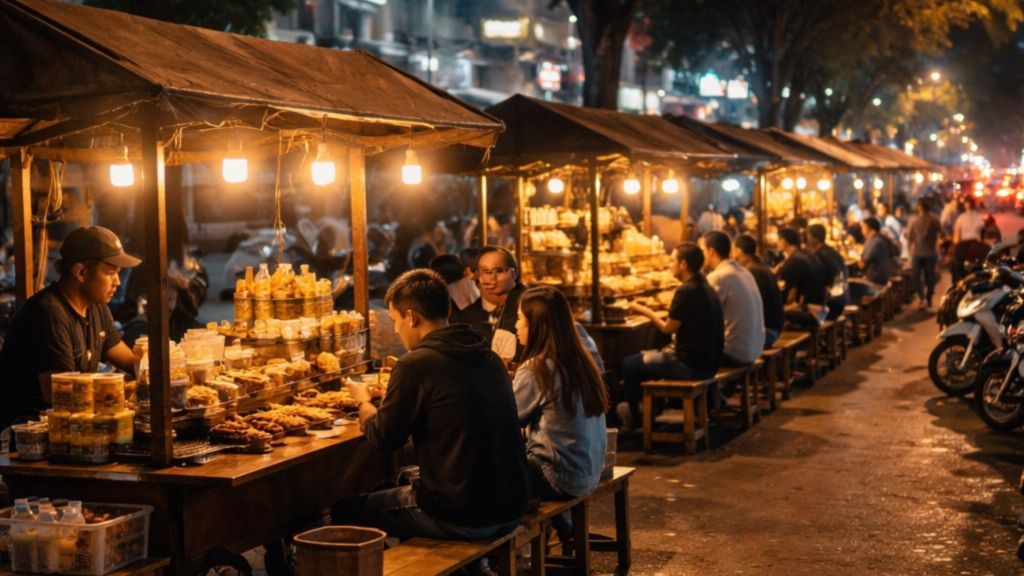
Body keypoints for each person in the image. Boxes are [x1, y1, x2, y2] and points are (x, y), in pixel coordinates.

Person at [338, 269, 529, 541]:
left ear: (411, 317)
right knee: (400, 480)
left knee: (348, 510)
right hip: (512, 506)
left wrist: (363, 401)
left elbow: (383, 438)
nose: (394, 329)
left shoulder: (416, 364)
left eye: (394, 320)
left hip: (464, 515)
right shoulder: (488, 355)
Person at [0, 226, 140, 431]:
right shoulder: (48, 315)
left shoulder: (96, 308)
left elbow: (129, 361)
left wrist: (161, 367)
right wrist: (117, 388)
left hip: (72, 423)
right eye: (110, 273)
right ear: (81, 272)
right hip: (28, 430)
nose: (117, 282)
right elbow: (60, 394)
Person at [513, 286, 608, 541]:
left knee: (487, 469)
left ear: (536, 325)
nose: (516, 325)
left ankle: (485, 555)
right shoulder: (581, 360)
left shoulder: (537, 368)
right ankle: (565, 528)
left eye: (520, 318)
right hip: (589, 472)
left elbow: (503, 422)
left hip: (560, 477)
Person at [619, 243, 724, 428]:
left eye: (672, 260)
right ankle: (650, 413)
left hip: (690, 366)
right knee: (649, 355)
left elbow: (668, 328)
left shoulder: (686, 290)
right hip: (710, 363)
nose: (670, 265)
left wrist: (643, 310)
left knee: (628, 362)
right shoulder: (704, 285)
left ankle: (637, 420)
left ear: (683, 264)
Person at [699, 231, 765, 366]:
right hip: (755, 349)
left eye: (702, 250)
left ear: (711, 252)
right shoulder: (744, 271)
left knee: (689, 354)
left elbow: (703, 315)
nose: (700, 255)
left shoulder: (718, 276)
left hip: (734, 353)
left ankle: (714, 387)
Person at [456, 246, 525, 363]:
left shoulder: (528, 309)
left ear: (513, 273)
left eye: (499, 270)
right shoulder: (467, 317)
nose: (492, 278)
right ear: (477, 274)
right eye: (486, 271)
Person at [732, 234, 785, 349]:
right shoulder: (761, 267)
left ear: (738, 251)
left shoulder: (751, 272)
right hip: (774, 327)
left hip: (767, 332)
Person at [775, 228, 829, 328]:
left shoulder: (792, 261)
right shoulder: (807, 254)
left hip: (811, 313)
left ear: (785, 241)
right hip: (822, 308)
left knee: (772, 314)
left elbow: (790, 298)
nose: (777, 243)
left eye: (779, 240)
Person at [805, 224, 849, 321]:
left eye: (808, 236)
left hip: (833, 304)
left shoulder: (822, 255)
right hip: (842, 298)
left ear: (815, 239)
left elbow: (834, 277)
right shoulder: (830, 251)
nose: (807, 239)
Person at [907, 200, 941, 309]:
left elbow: (910, 240)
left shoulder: (914, 221)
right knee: (929, 276)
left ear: (919, 208)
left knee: (916, 276)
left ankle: (922, 298)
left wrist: (910, 254)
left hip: (917, 253)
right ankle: (929, 297)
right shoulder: (934, 220)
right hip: (930, 253)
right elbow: (940, 236)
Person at [952, 197, 986, 284]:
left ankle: (959, 285)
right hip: (977, 247)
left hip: (963, 248)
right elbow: (983, 236)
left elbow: (956, 239)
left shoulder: (961, 218)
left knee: (956, 269)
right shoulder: (980, 218)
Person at [858, 217, 893, 288]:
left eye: (863, 227)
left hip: (875, 279)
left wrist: (856, 257)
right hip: (883, 276)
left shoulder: (873, 241)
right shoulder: (879, 238)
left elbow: (862, 264)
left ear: (868, 227)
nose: (861, 230)